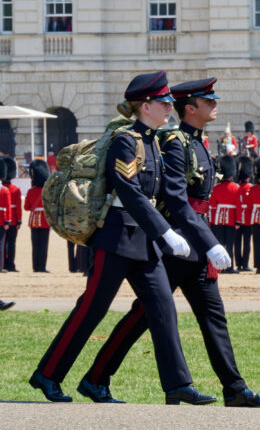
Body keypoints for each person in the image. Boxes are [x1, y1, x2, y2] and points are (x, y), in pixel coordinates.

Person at [80, 77, 260, 407]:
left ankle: (235, 388)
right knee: (142, 316)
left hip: (196, 244)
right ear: (191, 108)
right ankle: (96, 377)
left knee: (213, 317)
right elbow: (175, 197)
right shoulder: (174, 141)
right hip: (175, 246)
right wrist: (206, 241)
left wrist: (206, 243)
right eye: (209, 101)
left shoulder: (197, 141)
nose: (216, 105)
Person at [31, 71, 212, 405]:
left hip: (144, 241)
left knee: (162, 308)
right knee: (91, 310)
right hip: (116, 236)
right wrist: (167, 231)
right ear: (145, 106)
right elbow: (130, 193)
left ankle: (177, 385)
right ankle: (48, 374)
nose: (168, 108)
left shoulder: (153, 141)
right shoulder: (125, 141)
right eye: (163, 103)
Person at [209, 156, 240, 274]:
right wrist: (238, 221)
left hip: (218, 220)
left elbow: (212, 206)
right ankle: (229, 267)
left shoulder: (216, 188)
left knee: (219, 244)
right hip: (231, 220)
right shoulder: (236, 188)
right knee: (230, 244)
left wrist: (212, 221)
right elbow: (239, 207)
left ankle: (218, 267)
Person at [25, 160, 51, 272]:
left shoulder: (31, 191)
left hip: (34, 220)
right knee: (43, 245)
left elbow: (26, 207)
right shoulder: (48, 191)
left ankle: (35, 267)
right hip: (45, 220)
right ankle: (42, 267)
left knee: (35, 245)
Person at [235, 156, 254, 272]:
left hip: (236, 218)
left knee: (237, 243)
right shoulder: (251, 188)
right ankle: (245, 264)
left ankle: (239, 264)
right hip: (247, 218)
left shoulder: (236, 187)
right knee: (246, 243)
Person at [1, 156, 20, 272]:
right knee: (11, 244)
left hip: (2, 219)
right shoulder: (15, 189)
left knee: (3, 244)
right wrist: (19, 221)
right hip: (12, 220)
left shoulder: (2, 189)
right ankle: (10, 265)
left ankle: (2, 264)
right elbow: (18, 208)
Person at [0, 159, 9, 273]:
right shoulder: (4, 191)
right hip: (1, 221)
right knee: (1, 244)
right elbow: (6, 208)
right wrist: (7, 221)